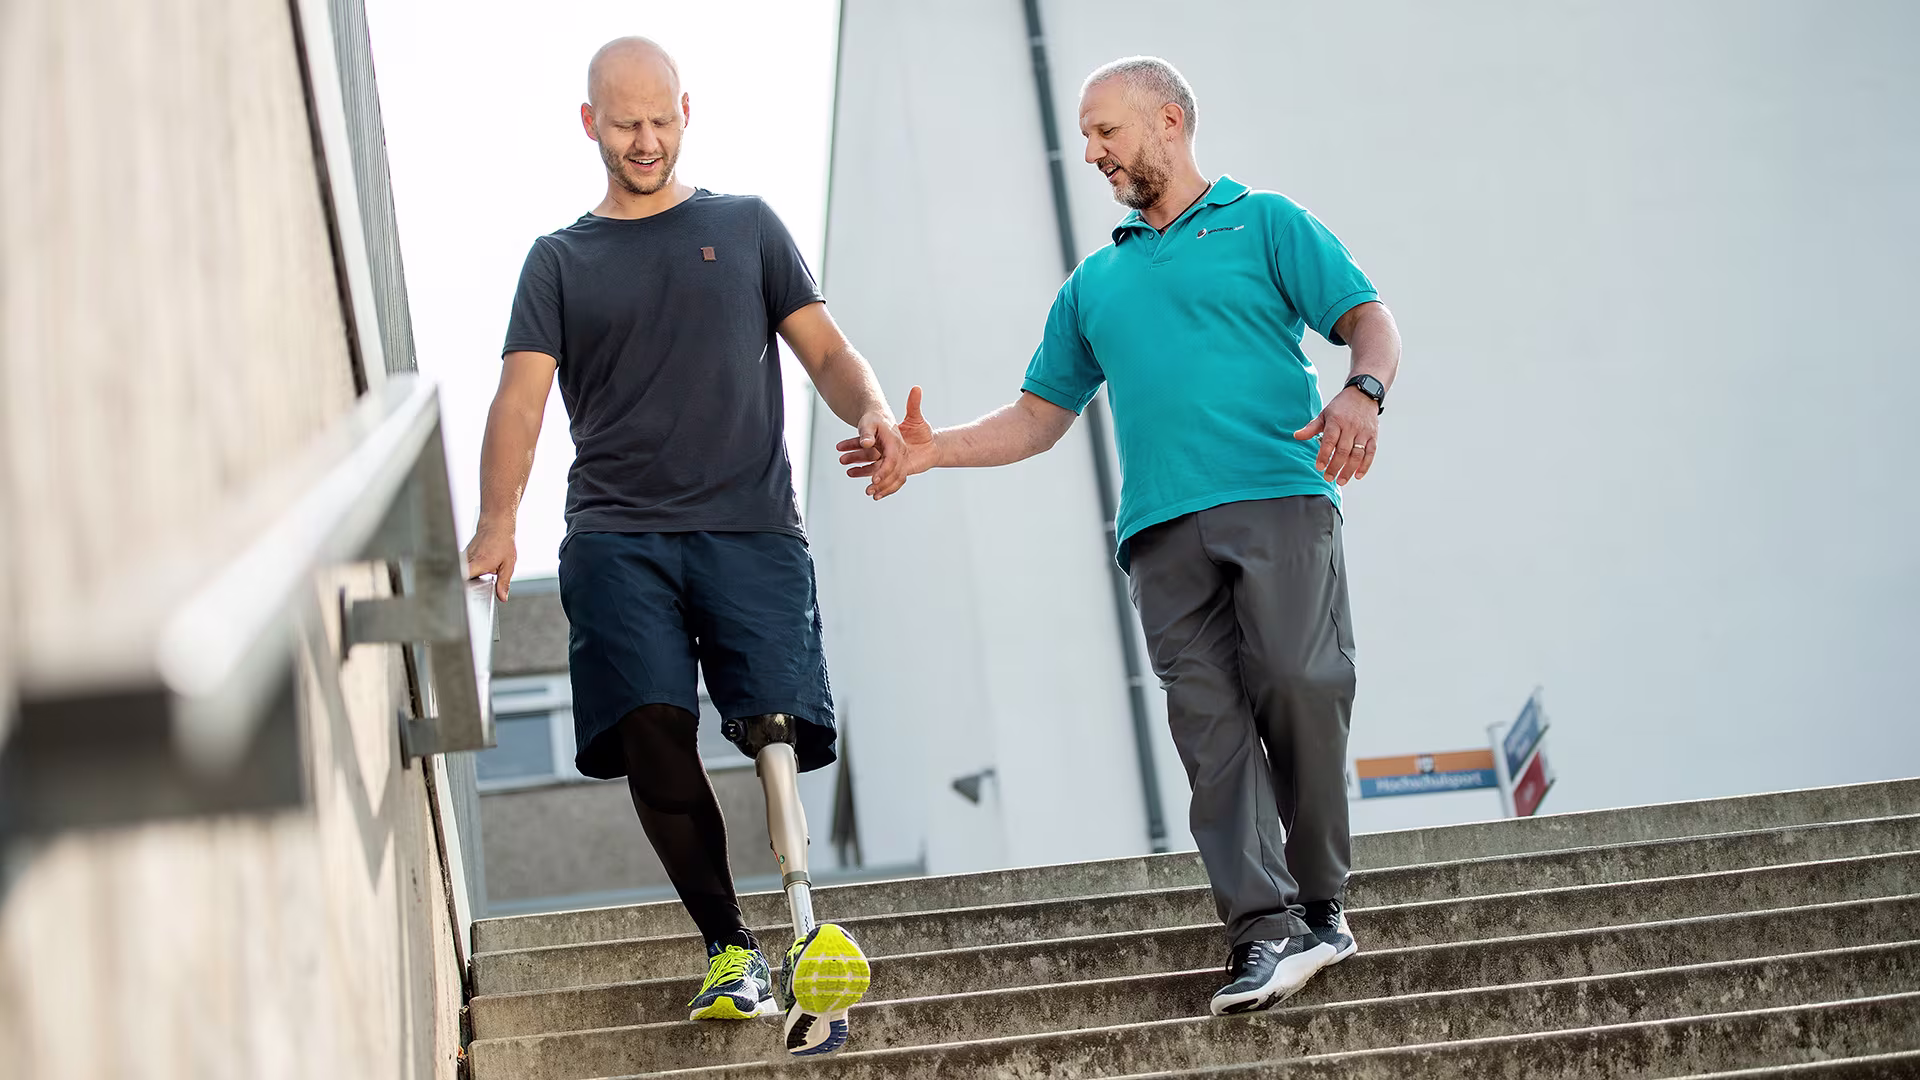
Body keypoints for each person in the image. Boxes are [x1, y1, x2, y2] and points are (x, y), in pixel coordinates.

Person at [841, 56, 1402, 1015]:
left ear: (1169, 121)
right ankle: (1261, 934)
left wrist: (1365, 389)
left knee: (1301, 683)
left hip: (1278, 496)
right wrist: (934, 454)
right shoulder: (1094, 283)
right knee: (1210, 732)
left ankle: (1321, 907)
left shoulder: (1266, 222)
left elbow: (1370, 321)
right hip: (1158, 536)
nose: (1092, 150)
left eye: (1107, 130)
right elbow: (1036, 417)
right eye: (1087, 133)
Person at [464, 36, 909, 1056]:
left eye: (661, 119)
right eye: (625, 123)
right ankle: (731, 949)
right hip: (617, 534)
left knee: (776, 725)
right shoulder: (559, 260)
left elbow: (827, 350)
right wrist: (498, 520)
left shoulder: (746, 226)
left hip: (750, 526)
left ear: (686, 111)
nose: (646, 140)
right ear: (589, 124)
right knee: (652, 723)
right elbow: (520, 400)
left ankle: (806, 926)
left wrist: (872, 410)